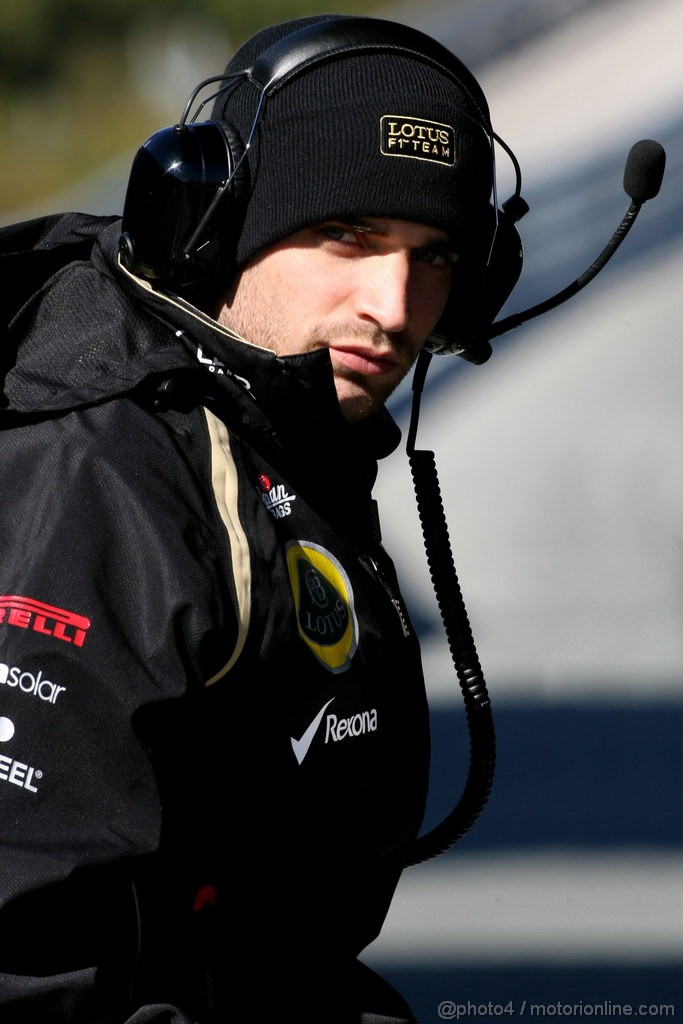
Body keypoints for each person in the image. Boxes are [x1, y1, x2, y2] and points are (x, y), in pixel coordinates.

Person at [0, 13, 519, 1023]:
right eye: (349, 237)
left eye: (436, 256)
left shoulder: (271, 426)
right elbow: (25, 959)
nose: (394, 301)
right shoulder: (92, 472)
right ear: (210, 223)